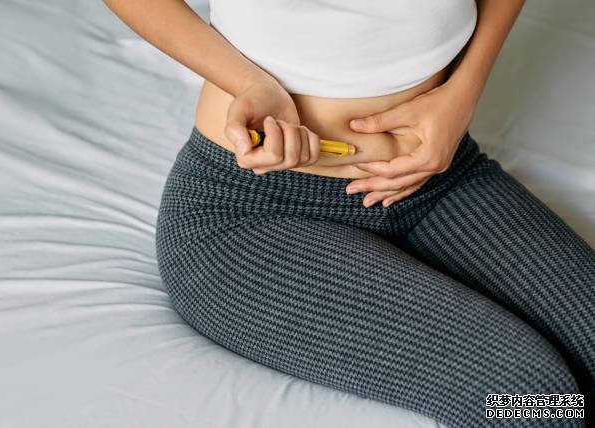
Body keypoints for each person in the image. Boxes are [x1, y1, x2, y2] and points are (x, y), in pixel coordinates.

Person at [104, 1, 594, 426]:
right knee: (534, 402)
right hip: (250, 214)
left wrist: (464, 90)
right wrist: (247, 81)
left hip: (438, 179)